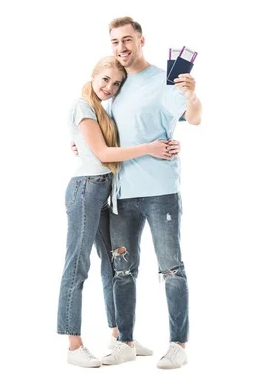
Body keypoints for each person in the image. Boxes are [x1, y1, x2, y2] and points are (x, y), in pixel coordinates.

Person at [74, 17, 203, 369]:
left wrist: (191, 96)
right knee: (122, 270)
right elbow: (106, 134)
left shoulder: (162, 80)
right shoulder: (115, 85)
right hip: (122, 193)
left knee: (171, 269)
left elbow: (193, 118)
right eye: (115, 42)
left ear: (141, 40)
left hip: (161, 191)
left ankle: (178, 343)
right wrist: (82, 148)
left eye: (127, 40)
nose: (121, 48)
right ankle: (125, 342)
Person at [57, 55, 180, 368]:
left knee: (114, 265)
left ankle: (119, 336)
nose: (109, 87)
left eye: (116, 84)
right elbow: (103, 152)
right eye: (105, 80)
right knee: (77, 265)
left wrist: (168, 144)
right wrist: (150, 148)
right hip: (86, 189)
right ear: (93, 75)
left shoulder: (104, 110)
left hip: (107, 190)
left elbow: (115, 140)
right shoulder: (83, 105)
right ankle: (74, 346)